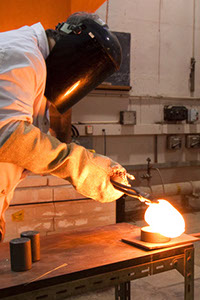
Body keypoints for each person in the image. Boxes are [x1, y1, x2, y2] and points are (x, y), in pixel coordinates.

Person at [0, 12, 128, 241]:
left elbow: (26, 138)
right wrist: (78, 165)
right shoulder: (22, 55)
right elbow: (7, 135)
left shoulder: (36, 70)